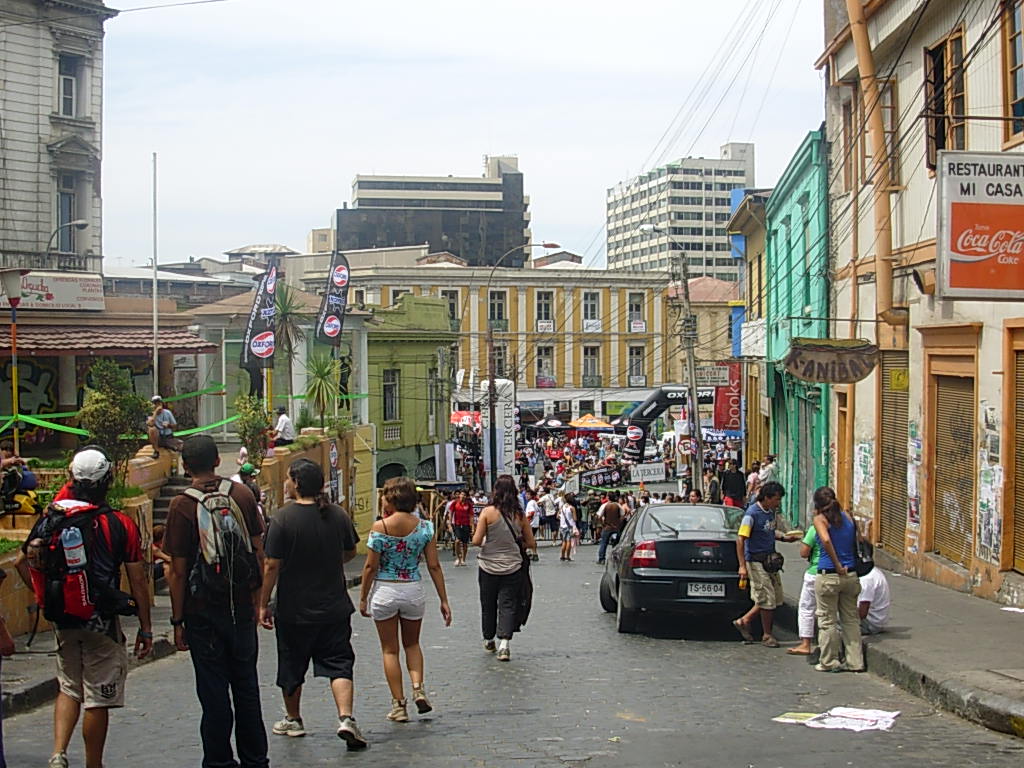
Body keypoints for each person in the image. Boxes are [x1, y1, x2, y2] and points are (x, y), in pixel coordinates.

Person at [15, 447, 153, 768]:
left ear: (71, 478)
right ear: (107, 480)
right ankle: (93, 763)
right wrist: (146, 626)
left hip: (64, 619)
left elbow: (24, 561)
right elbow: (138, 580)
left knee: (68, 686)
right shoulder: (119, 523)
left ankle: (59, 753)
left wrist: (43, 597)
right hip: (101, 622)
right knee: (97, 698)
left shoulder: (52, 518)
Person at [164, 435, 270, 768]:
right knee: (247, 689)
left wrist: (177, 621)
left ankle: (219, 761)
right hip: (239, 607)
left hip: (201, 613)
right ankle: (255, 759)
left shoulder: (181, 505)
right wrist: (257, 602)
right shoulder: (240, 494)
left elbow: (177, 571)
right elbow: (258, 552)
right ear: (215, 462)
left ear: (185, 466)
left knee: (213, 693)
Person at [259, 458, 367, 749]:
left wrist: (263, 603)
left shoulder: (282, 519)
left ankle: (293, 719)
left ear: (296, 483)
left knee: (292, 665)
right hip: (333, 606)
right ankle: (346, 718)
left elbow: (271, 564)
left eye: (288, 479)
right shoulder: (338, 515)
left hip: (294, 609)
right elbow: (350, 552)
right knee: (340, 663)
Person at [358, 477, 451, 723]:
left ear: (391, 498)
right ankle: (418, 688)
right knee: (412, 644)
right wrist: (444, 599)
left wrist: (363, 597)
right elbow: (434, 565)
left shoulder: (381, 528)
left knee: (390, 650)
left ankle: (399, 705)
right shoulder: (425, 528)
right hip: (412, 589)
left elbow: (370, 566)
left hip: (386, 590)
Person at [472, 474, 536, 662]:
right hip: (513, 566)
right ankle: (504, 644)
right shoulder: (519, 515)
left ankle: (489, 638)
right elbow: (531, 542)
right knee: (508, 604)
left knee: (488, 603)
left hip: (488, 565)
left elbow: (476, 541)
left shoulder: (487, 513)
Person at [732, 481, 798, 648]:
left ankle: (744, 620)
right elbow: (741, 539)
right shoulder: (751, 515)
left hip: (770, 561)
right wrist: (742, 566)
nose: (778, 503)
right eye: (776, 499)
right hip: (755, 561)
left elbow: (768, 530)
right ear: (767, 498)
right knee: (766, 598)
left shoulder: (770, 513)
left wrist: (784, 538)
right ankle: (767, 635)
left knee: (774, 598)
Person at [812, 486, 865, 673]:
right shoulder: (848, 517)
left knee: (827, 621)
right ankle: (855, 662)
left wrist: (836, 563)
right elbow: (859, 539)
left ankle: (829, 661)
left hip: (829, 574)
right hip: (851, 575)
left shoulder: (820, 520)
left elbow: (826, 541)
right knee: (851, 620)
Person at [790, 521, 822, 656]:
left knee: (806, 608)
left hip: (817, 572)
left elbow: (804, 552)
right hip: (841, 572)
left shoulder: (817, 527)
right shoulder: (844, 524)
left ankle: (806, 644)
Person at [857, 559, 891, 635]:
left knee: (830, 622)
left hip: (871, 624)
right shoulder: (874, 571)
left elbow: (862, 613)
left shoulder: (866, 580)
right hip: (878, 620)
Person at [146, 395, 181, 460]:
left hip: (168, 436)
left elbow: (175, 425)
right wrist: (155, 413)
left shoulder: (167, 412)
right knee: (152, 429)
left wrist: (168, 425)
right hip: (158, 438)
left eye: (159, 403)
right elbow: (150, 424)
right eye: (156, 404)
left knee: (180, 445)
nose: (158, 405)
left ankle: (170, 446)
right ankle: (156, 451)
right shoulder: (151, 414)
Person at [595, 492, 623, 565]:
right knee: (616, 544)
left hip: (607, 527)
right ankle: (616, 558)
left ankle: (601, 559)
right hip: (616, 527)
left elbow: (599, 516)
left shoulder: (604, 505)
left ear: (608, 497)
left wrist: (602, 523)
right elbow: (622, 515)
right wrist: (618, 523)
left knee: (603, 543)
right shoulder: (618, 505)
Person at [449, 489, 474, 567]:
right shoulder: (455, 503)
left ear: (466, 496)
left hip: (466, 525)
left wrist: (472, 527)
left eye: (464, 495)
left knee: (465, 543)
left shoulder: (469, 504)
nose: (462, 496)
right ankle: (458, 558)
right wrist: (449, 524)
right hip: (457, 524)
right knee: (457, 541)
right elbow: (451, 513)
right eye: (461, 494)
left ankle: (463, 559)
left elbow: (471, 516)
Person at [558, 493, 579, 562]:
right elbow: (575, 519)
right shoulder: (572, 508)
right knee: (568, 541)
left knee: (564, 541)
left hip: (562, 526)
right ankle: (568, 556)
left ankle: (562, 556)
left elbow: (557, 516)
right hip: (570, 526)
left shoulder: (562, 507)